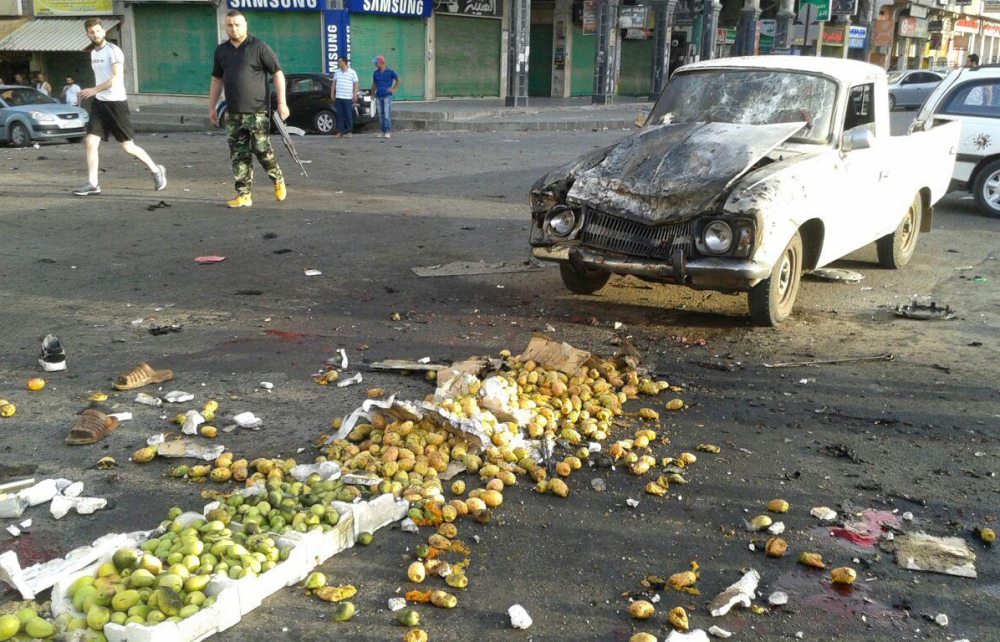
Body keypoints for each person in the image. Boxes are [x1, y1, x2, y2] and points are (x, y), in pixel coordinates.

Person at [73, 18, 166, 196]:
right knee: (91, 142)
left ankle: (156, 170)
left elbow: (116, 77)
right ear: (87, 34)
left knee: (127, 146)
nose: (95, 34)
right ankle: (93, 183)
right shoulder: (93, 53)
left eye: (98, 31)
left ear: (104, 31)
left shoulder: (113, 51)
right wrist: (96, 92)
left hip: (116, 103)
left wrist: (94, 89)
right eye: (92, 32)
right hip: (100, 103)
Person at [209, 10, 288, 209]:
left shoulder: (259, 47)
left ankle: (277, 178)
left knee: (262, 149)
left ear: (245, 24)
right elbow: (217, 79)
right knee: (238, 154)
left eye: (237, 24)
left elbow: (277, 74)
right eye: (229, 25)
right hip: (233, 112)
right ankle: (243, 194)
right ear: (225, 27)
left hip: (257, 111)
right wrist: (212, 106)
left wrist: (282, 102)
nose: (234, 28)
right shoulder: (221, 51)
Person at [370, 55, 399, 138]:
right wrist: (372, 93)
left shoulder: (390, 71)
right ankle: (382, 131)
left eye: (376, 62)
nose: (375, 64)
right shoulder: (375, 73)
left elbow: (398, 79)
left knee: (386, 114)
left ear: (381, 62)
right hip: (378, 95)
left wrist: (393, 88)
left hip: (387, 95)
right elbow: (374, 84)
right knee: (380, 114)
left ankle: (387, 131)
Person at [331, 55, 358, 138]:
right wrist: (332, 93)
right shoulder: (337, 72)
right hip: (339, 96)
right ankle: (340, 131)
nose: (339, 64)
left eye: (340, 62)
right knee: (340, 115)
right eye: (338, 62)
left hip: (347, 97)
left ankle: (349, 131)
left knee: (348, 114)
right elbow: (334, 84)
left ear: (345, 62)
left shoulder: (352, 72)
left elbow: (356, 84)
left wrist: (355, 94)